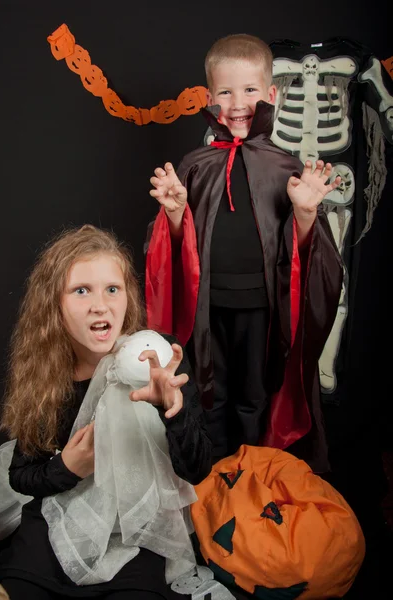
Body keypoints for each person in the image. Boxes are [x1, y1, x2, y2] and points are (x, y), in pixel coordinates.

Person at [145, 33, 344, 472]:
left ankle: (253, 480)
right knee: (209, 394)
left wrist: (306, 213)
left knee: (255, 398)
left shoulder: (287, 169)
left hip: (261, 310)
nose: (238, 103)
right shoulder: (194, 165)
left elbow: (311, 260)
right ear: (209, 97)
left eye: (250, 90)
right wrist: (176, 214)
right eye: (226, 91)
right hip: (208, 311)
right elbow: (175, 253)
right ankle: (212, 482)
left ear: (271, 94)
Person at [0, 224, 212, 600]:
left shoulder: (158, 358)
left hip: (134, 534)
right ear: (54, 305)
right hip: (55, 524)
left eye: (112, 289)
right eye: (82, 291)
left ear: (127, 295)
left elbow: (197, 469)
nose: (101, 304)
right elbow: (22, 476)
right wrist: (69, 468)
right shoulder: (48, 375)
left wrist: (173, 412)